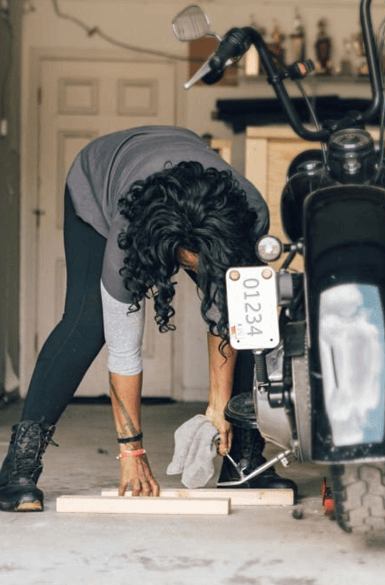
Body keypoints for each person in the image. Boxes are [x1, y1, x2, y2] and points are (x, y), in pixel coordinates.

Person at [0, 125, 297, 512]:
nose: (201, 273)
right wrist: (131, 450)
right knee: (88, 323)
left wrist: (217, 405)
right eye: (193, 264)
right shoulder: (131, 234)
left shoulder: (247, 213)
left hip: (192, 190)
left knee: (248, 316)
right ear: (166, 250)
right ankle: (18, 468)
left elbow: (228, 310)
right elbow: (125, 351)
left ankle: (242, 459)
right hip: (97, 178)